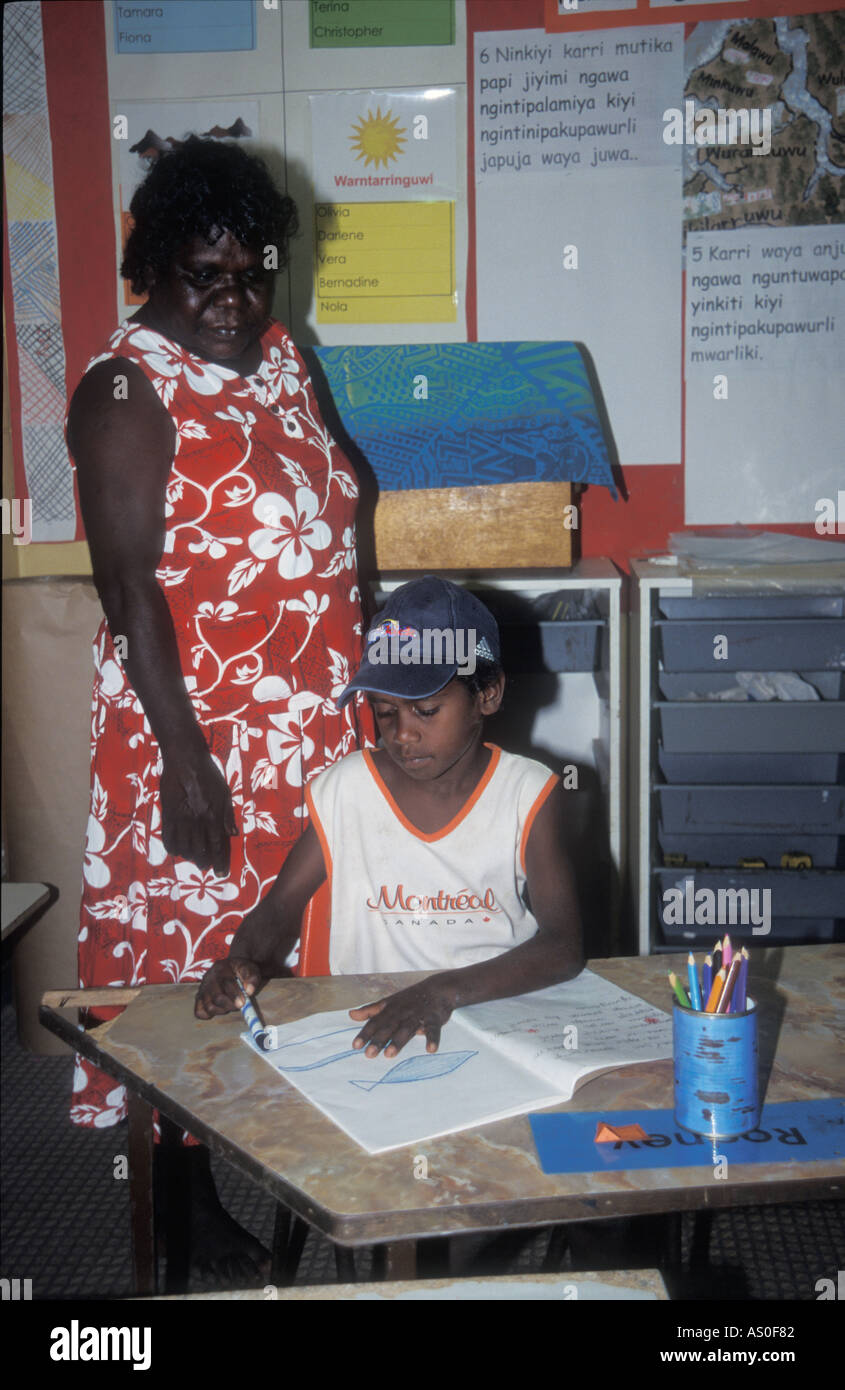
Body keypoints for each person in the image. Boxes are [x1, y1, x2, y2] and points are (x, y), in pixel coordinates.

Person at [66, 137, 373, 1283]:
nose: (235, 299)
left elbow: (340, 496)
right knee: (189, 970)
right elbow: (128, 582)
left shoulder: (282, 357)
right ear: (151, 269)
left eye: (254, 272)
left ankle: (303, 1174)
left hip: (313, 722)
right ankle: (179, 1218)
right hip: (202, 736)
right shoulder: (125, 387)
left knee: (308, 956)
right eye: (205, 274)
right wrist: (187, 766)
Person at [195, 578, 584, 1054]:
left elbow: (564, 945)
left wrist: (442, 993)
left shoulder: (527, 792)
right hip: (360, 1023)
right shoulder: (348, 790)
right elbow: (281, 907)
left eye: (426, 710)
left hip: (487, 1011)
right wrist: (242, 962)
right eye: (384, 713)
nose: (403, 735)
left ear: (488, 694)